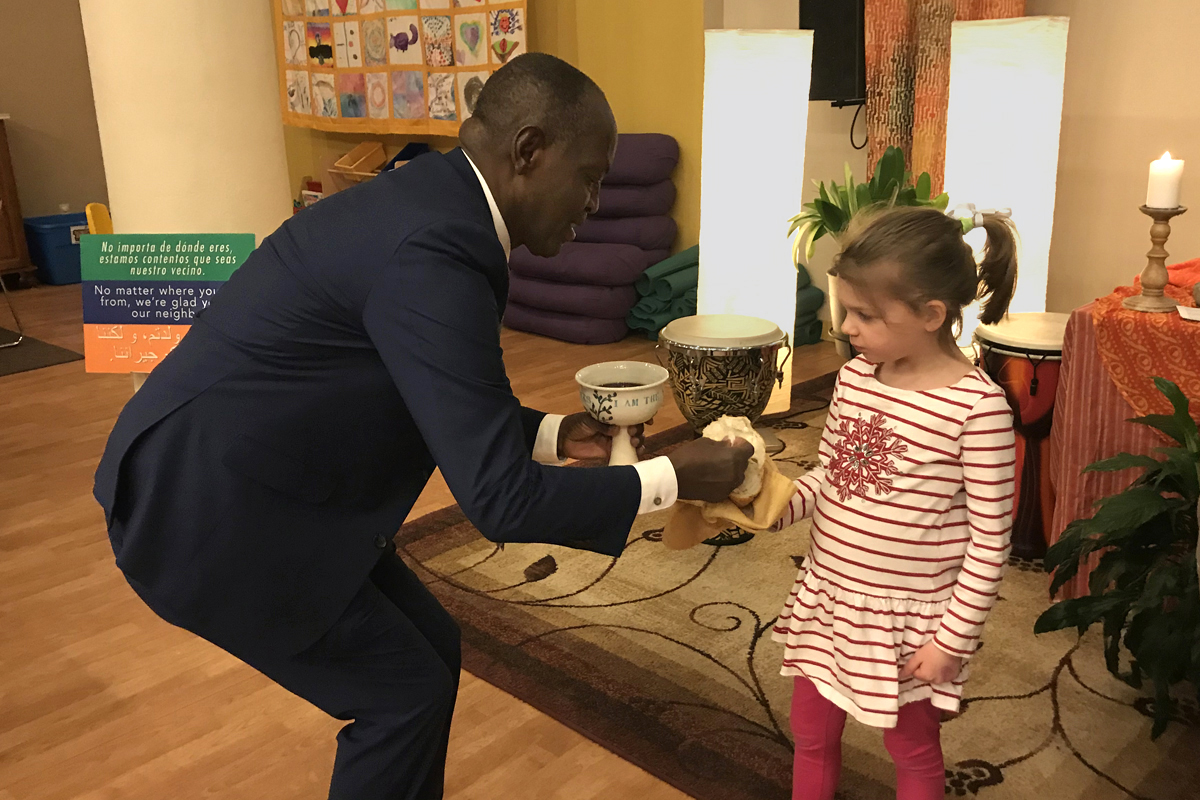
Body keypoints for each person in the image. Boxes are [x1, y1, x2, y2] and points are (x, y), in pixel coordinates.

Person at [92, 53, 752, 799]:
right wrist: (673, 477)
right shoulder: (435, 248)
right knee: (399, 695)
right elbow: (502, 502)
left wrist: (551, 435)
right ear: (529, 151)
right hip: (206, 516)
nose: (595, 201)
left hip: (253, 481)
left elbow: (428, 385)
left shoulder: (432, 206)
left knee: (431, 654)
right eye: (591, 175)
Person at [768, 207, 1019, 800]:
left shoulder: (978, 411)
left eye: (866, 315)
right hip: (828, 598)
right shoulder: (857, 376)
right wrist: (776, 503)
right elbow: (832, 475)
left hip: (910, 624)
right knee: (809, 732)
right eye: (846, 309)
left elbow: (990, 543)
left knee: (910, 748)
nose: (847, 327)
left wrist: (949, 643)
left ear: (932, 315)